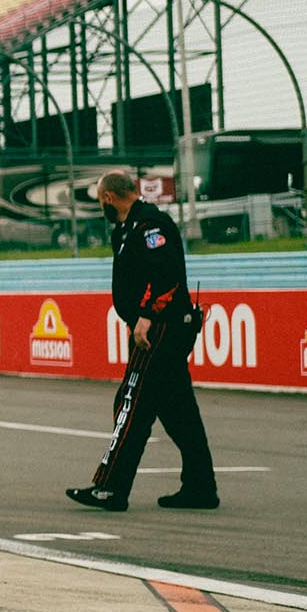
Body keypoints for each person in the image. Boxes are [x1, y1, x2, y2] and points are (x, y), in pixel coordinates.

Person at [67, 171, 218, 512]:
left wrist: (147, 316)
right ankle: (201, 486)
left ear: (108, 198)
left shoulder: (149, 225)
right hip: (161, 329)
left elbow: (165, 275)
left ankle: (110, 488)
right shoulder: (128, 228)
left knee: (131, 403)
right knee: (178, 410)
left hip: (158, 330)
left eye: (99, 201)